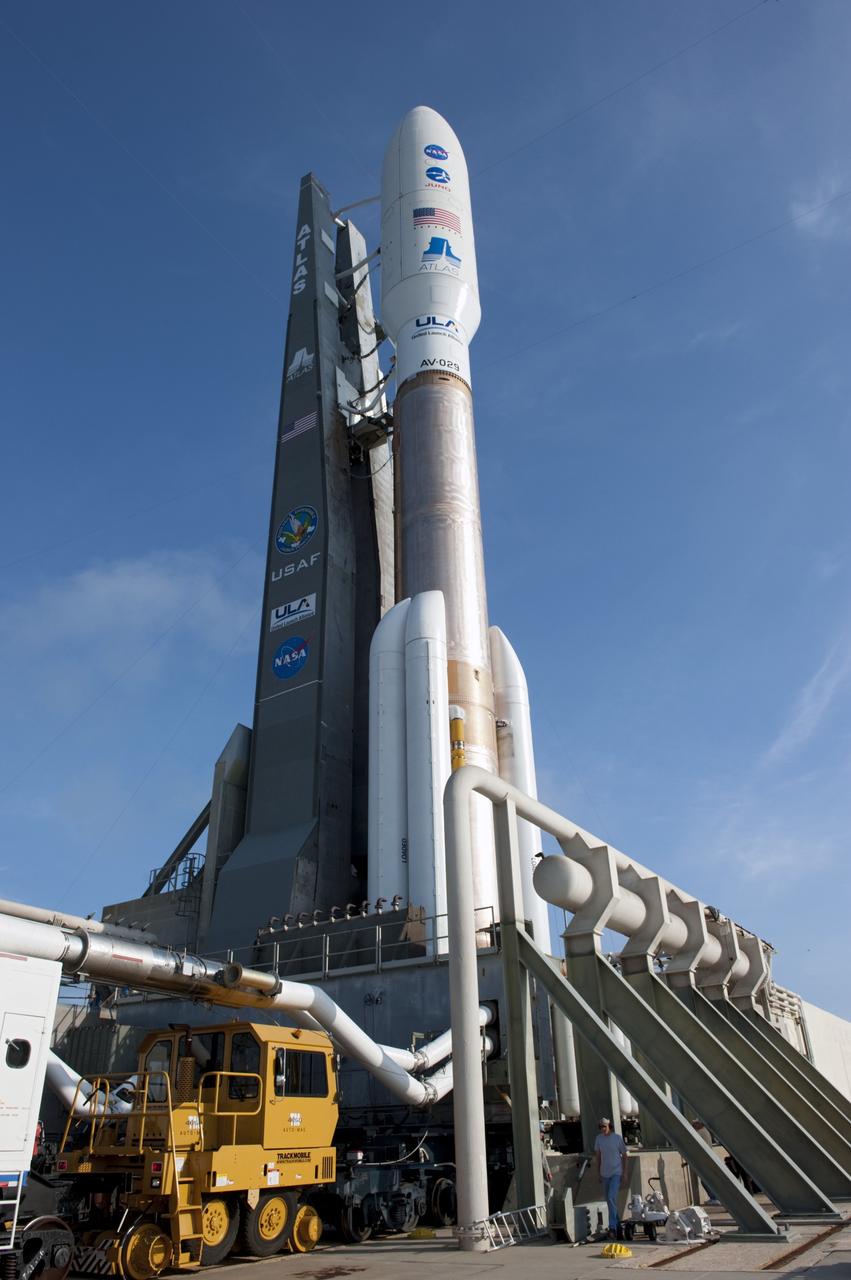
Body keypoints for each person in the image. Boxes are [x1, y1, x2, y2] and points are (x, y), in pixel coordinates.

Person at [594, 1117, 628, 1238]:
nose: (603, 1129)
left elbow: (624, 1155)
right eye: (601, 1127)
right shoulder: (599, 1139)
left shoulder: (617, 1138)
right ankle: (618, 1226)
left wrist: (625, 1172)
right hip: (605, 1173)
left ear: (609, 1126)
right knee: (610, 1201)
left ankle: (612, 1227)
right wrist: (598, 1173)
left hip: (616, 1172)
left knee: (611, 1197)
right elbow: (598, 1157)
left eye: (604, 1126)